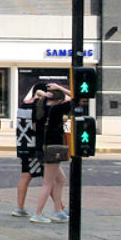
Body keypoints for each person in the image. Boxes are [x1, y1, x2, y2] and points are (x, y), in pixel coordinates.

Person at [12, 82, 68, 217]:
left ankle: (21, 207)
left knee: (28, 176)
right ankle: (52, 210)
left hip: (25, 145)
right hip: (40, 146)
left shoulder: (27, 105)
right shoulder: (46, 107)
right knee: (49, 181)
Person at [30, 85, 73, 223]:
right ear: (60, 99)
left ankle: (58, 210)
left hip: (42, 147)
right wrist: (60, 87)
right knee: (48, 183)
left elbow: (35, 94)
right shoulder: (57, 108)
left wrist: (41, 94)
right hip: (54, 147)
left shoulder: (39, 106)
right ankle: (38, 213)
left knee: (61, 179)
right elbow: (77, 98)